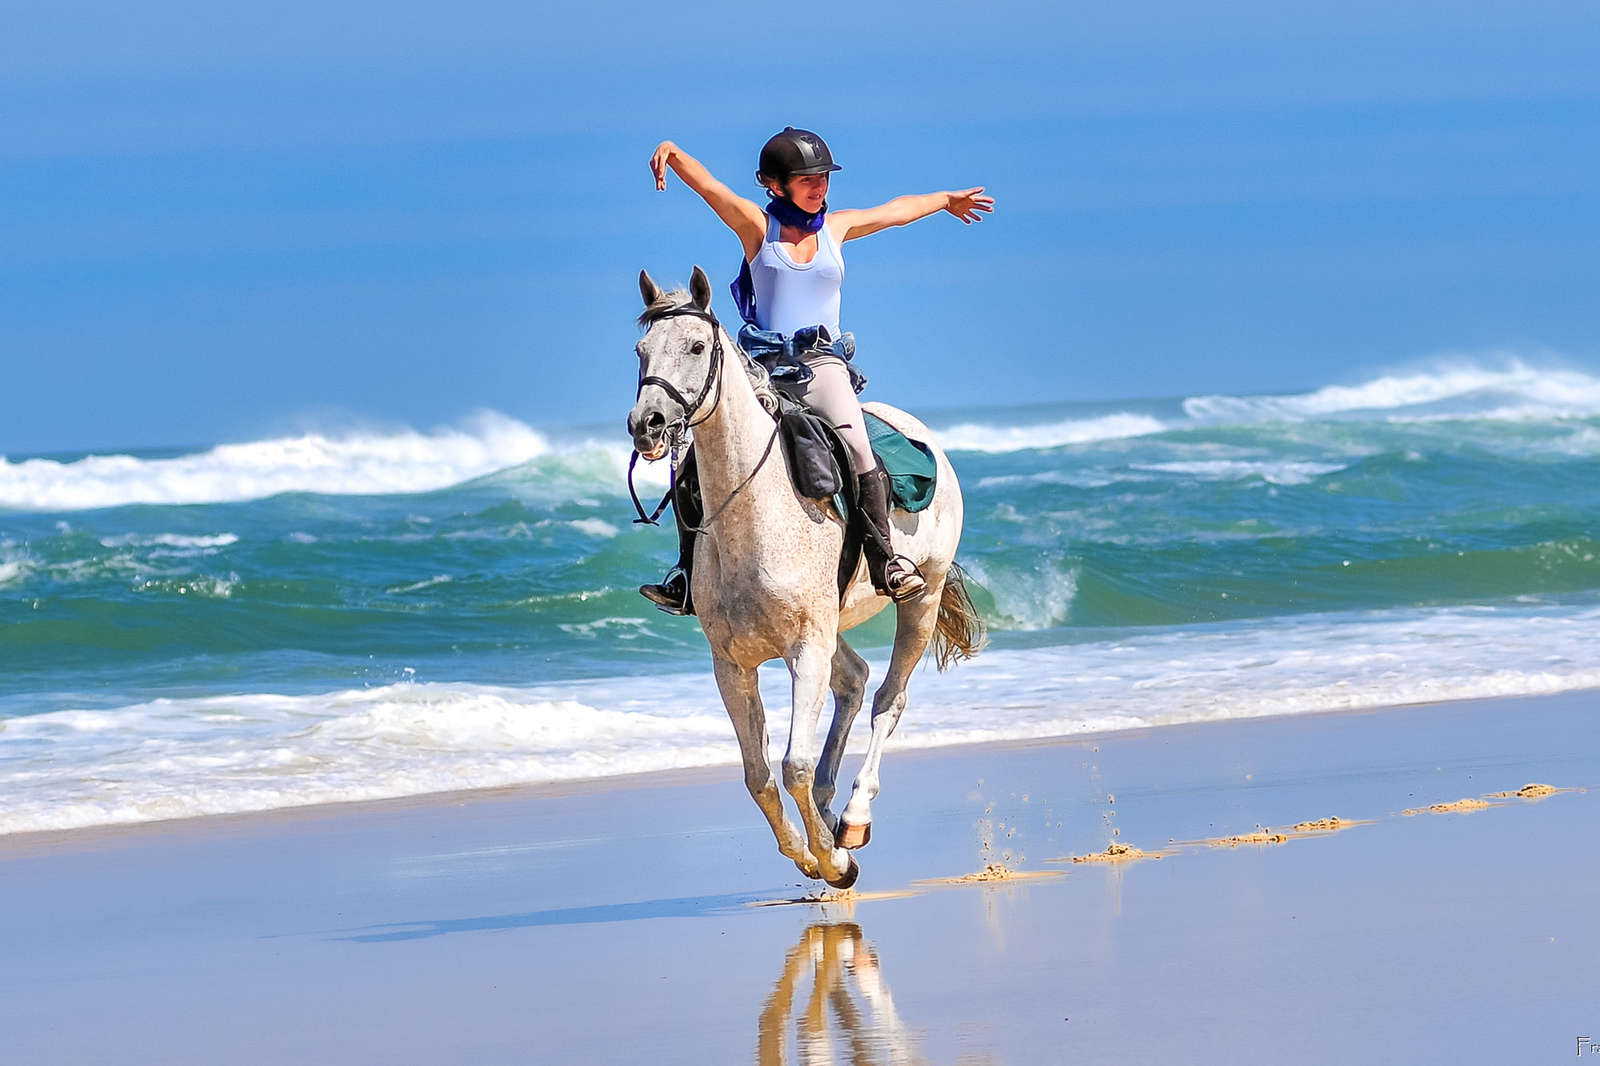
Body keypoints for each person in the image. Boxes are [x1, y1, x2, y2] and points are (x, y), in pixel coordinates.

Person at [639, 126, 995, 615]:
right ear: (775, 184)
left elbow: (894, 211)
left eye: (823, 178)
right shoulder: (756, 229)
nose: (820, 187)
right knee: (701, 457)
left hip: (822, 365)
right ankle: (686, 571)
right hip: (762, 370)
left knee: (858, 448)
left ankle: (886, 558)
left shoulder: (835, 229)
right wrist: (674, 154)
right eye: (808, 179)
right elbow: (711, 189)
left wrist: (945, 200)